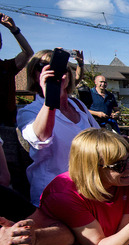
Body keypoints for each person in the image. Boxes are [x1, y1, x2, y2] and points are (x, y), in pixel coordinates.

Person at [18, 49, 99, 206]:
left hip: (88, 191)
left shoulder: (78, 105)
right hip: (54, 195)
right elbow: (40, 138)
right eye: (44, 67)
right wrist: (51, 95)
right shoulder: (30, 111)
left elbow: (98, 138)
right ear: (35, 74)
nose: (56, 73)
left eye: (62, 68)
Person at [0, 13, 34, 198]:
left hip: (7, 126)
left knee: (15, 173)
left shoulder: (7, 67)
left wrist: (14, 30)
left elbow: (28, 53)